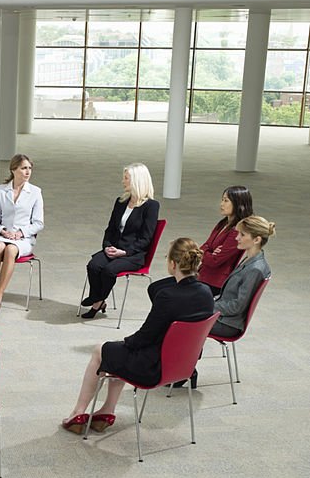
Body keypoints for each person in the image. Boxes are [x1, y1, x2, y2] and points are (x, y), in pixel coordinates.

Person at [62, 238, 214, 434]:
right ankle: (107, 411)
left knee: (102, 350)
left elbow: (144, 337)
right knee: (118, 353)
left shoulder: (168, 296)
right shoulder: (206, 292)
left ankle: (78, 412)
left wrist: (127, 342)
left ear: (173, 264)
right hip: (182, 364)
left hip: (154, 367)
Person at [173, 215, 275, 390]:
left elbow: (237, 306)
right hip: (223, 314)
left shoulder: (256, 269)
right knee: (180, 313)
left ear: (256, 239)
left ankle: (185, 370)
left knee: (182, 321)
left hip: (229, 323)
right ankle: (184, 369)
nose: (237, 238)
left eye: (242, 235)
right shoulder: (251, 260)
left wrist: (208, 306)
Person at [81, 163, 159, 318]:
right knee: (94, 265)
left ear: (137, 181)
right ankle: (98, 298)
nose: (123, 182)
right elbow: (110, 229)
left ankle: (97, 300)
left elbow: (146, 238)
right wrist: (107, 246)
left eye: (126, 178)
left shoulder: (151, 206)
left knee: (109, 271)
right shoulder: (121, 201)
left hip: (133, 254)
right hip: (114, 248)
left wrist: (124, 252)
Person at [0, 154, 43, 316]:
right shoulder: (1, 191)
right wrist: (3, 231)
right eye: (23, 168)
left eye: (29, 168)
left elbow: (38, 223)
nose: (27, 172)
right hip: (4, 235)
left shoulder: (35, 192)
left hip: (24, 239)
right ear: (14, 170)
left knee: (10, 250)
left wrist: (20, 233)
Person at [198, 186, 253, 296]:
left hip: (214, 283)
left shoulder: (237, 232)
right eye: (222, 200)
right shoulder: (222, 223)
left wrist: (206, 252)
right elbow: (206, 245)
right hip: (203, 275)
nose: (221, 204)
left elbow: (214, 260)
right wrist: (209, 252)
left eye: (226, 200)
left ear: (238, 204)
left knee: (168, 292)